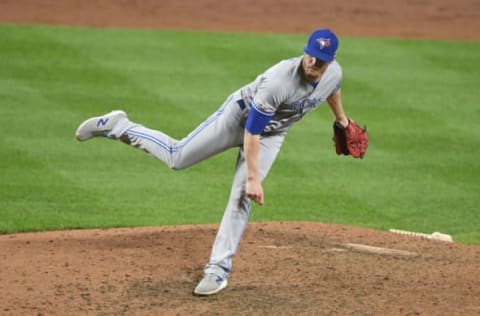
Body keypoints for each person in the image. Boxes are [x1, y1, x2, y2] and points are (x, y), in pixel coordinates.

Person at [76, 28, 351, 296]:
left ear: (332, 61)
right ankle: (119, 125)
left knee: (241, 196)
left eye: (321, 60)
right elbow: (252, 132)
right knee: (178, 157)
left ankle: (218, 269)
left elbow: (331, 88)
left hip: (273, 134)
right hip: (239, 120)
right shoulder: (279, 81)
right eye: (310, 55)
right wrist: (253, 178)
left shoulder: (333, 73)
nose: (313, 63)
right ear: (305, 51)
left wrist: (341, 120)